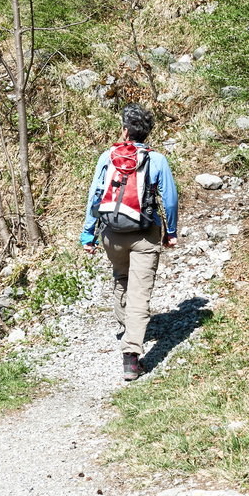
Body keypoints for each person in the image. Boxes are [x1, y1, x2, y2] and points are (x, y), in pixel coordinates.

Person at [81, 103, 178, 380]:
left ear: (125, 130)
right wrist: (170, 232)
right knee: (140, 293)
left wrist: (88, 234)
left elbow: (94, 198)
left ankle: (127, 327)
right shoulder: (156, 160)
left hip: (112, 234)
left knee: (121, 277)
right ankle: (131, 356)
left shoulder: (107, 157)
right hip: (145, 234)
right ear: (147, 132)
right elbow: (169, 200)